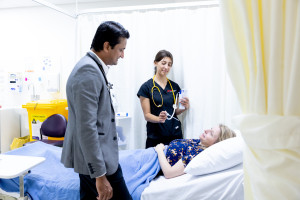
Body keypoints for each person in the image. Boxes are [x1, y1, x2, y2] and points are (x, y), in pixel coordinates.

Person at [61, 21, 132, 200]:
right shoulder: (88, 71)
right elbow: (87, 128)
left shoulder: (94, 68)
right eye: (121, 49)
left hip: (100, 158)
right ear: (107, 46)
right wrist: (99, 175)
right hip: (97, 163)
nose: (122, 55)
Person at [137, 50, 190, 148]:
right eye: (163, 63)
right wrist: (159, 119)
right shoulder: (146, 87)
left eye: (169, 65)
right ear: (155, 63)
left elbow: (175, 112)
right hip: (155, 136)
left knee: (174, 162)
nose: (166, 67)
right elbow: (147, 115)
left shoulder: (174, 86)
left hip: (175, 134)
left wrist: (184, 107)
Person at [154, 124, 236, 179]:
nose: (206, 130)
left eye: (211, 133)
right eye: (211, 129)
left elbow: (169, 173)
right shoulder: (199, 142)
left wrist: (159, 150)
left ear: (215, 145)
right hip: (153, 154)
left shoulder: (197, 155)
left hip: (154, 160)